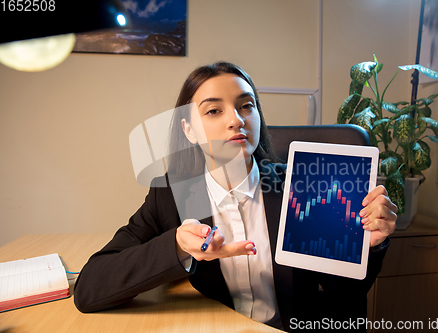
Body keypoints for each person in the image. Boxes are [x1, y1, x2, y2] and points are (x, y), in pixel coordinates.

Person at [73, 62, 397, 331]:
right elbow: (89, 288)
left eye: (246, 105)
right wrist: (177, 246)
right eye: (213, 111)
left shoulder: (301, 187)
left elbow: (343, 297)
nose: (236, 120)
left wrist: (366, 245)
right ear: (189, 130)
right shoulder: (171, 194)